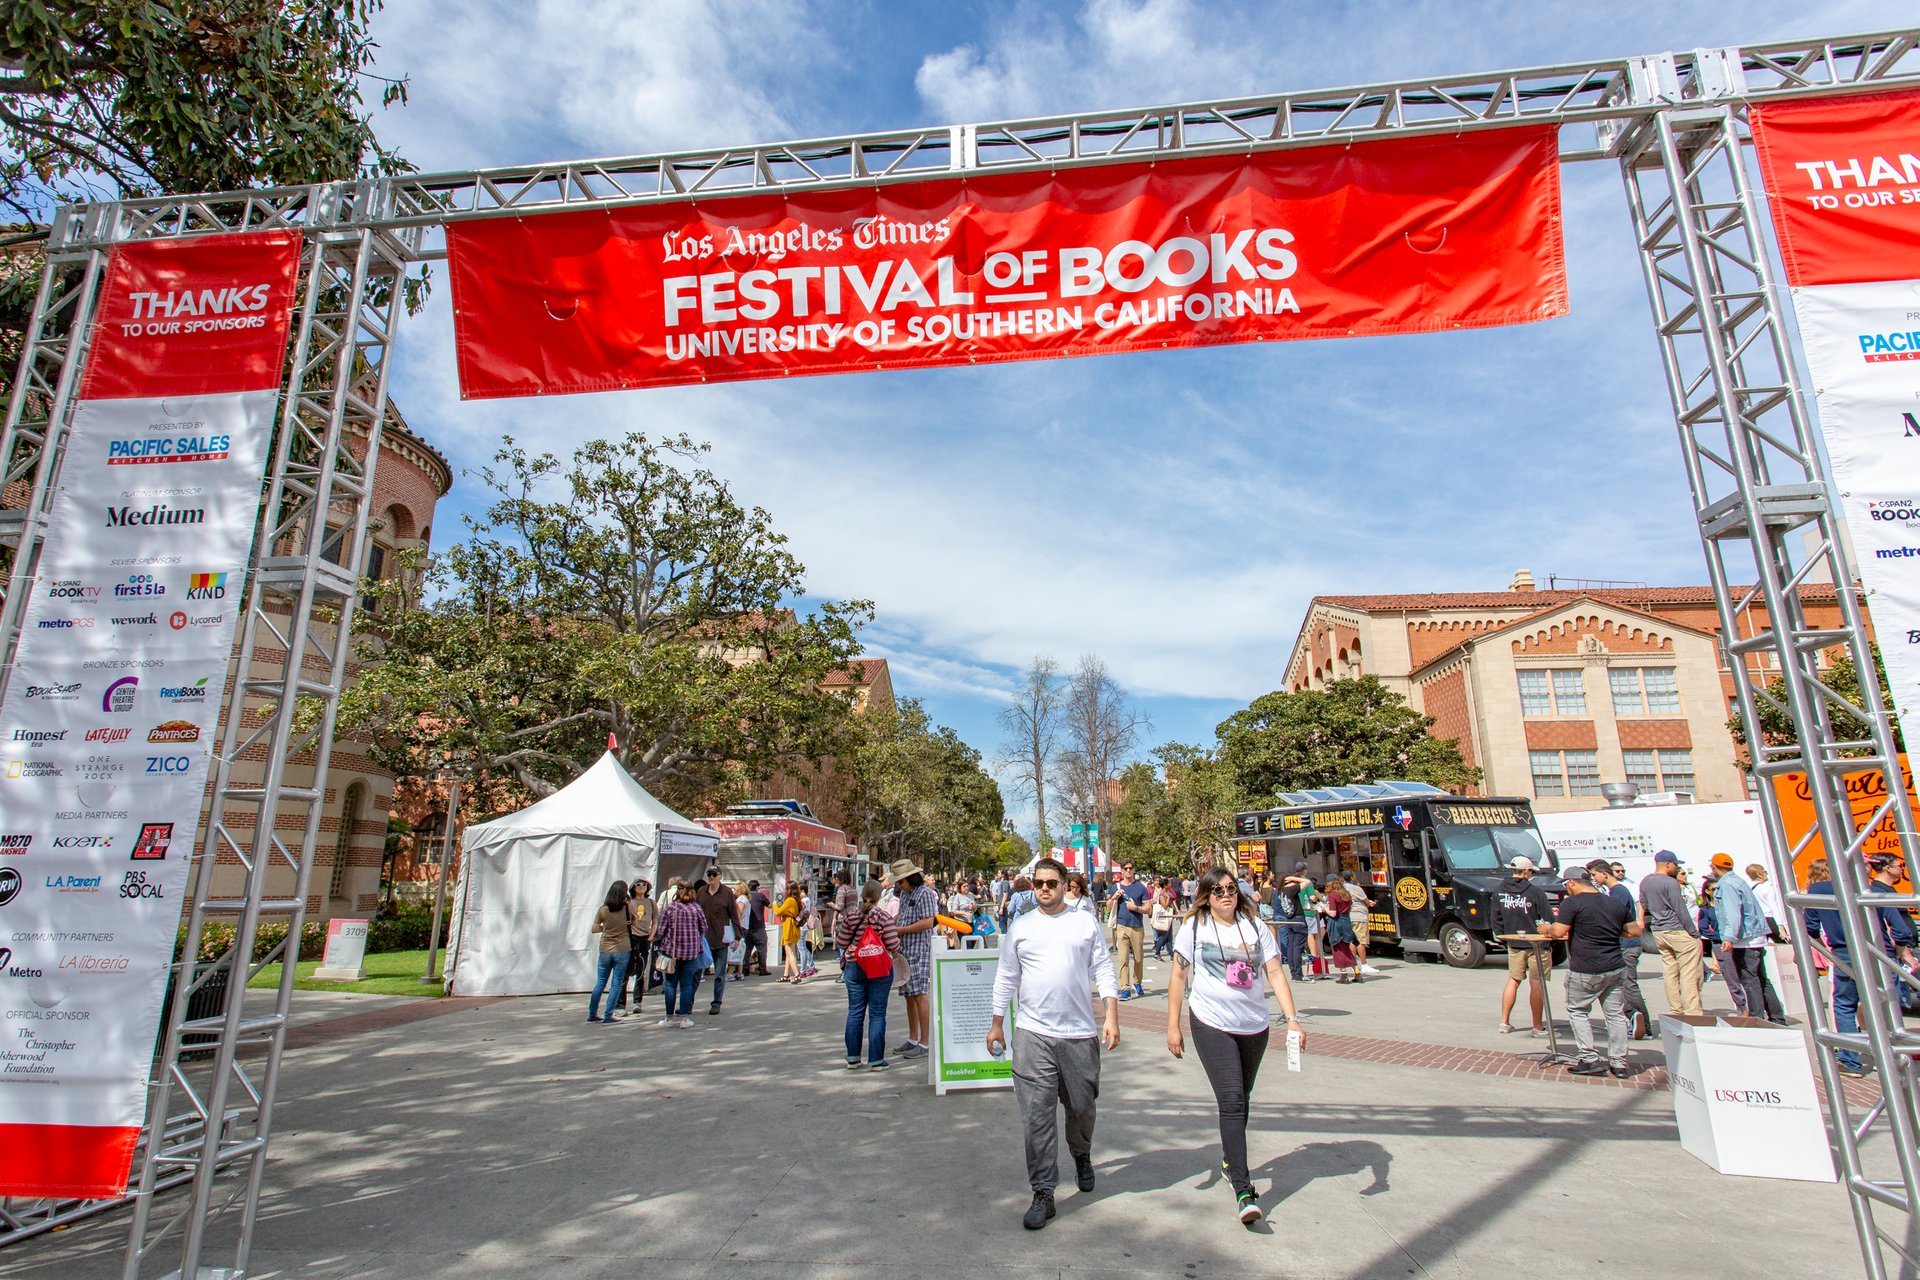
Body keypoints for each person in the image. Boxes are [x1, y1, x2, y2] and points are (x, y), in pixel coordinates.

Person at [986, 856, 1120, 1231]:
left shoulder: (1084, 922)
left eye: (1052, 882)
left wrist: (1111, 1015)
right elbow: (1005, 977)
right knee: (1036, 1115)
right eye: (1039, 883)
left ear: (1065, 885)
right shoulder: (1022, 927)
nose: (1044, 888)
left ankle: (1081, 1153)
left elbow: (1104, 969)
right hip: (1033, 1034)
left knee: (1081, 1106)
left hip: (1079, 1034)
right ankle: (1043, 1191)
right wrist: (997, 1024)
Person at [1166, 865, 1305, 1225]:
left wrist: (1292, 1019)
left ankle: (1230, 1160)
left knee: (1241, 1099)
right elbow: (1179, 975)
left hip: (1254, 1025)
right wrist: (1173, 1026)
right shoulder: (1194, 927)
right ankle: (1244, 1188)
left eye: (1230, 889)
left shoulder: (1254, 926)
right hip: (1211, 1021)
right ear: (1206, 896)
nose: (1226, 895)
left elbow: (1274, 971)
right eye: (1218, 891)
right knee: (1230, 1101)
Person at [1807, 856, 1918, 1076]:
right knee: (1885, 1007)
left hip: (1845, 953)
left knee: (1845, 1006)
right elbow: (1901, 931)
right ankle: (1890, 1058)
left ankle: (1851, 1062)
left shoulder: (1818, 889)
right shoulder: (1868, 889)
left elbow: (1809, 928)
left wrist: (1827, 952)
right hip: (1879, 954)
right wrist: (1895, 954)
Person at [1540, 865, 1640, 1077]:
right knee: (1615, 1015)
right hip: (1615, 965)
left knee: (1577, 1010)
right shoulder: (1612, 901)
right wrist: (1609, 930)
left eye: (1567, 884)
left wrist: (1546, 928)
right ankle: (1619, 1063)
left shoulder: (1572, 903)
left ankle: (1589, 1058)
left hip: (1586, 967)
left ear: (1573, 882)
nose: (1566, 888)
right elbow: (1634, 931)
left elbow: (1558, 932)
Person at [836, 879, 904, 1069]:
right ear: (879, 896)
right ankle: (876, 1060)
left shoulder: (851, 917)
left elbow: (841, 943)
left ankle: (853, 1058)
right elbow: (894, 944)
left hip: (854, 966)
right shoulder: (883, 917)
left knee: (855, 1011)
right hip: (878, 968)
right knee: (877, 1014)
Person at [1711, 853, 1781, 1021]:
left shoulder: (1727, 885)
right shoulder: (1737, 881)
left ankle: (1757, 1019)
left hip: (1745, 940)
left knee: (1750, 981)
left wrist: (1729, 937)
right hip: (1753, 937)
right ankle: (1777, 1018)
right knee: (1761, 979)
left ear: (1714, 867)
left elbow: (1733, 913)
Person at [1587, 861, 1650, 1040]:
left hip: (1627, 945)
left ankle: (1644, 1026)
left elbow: (1615, 918)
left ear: (1604, 874)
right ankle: (1634, 1020)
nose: (1594, 879)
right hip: (1624, 945)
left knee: (1629, 985)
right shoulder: (1615, 892)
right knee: (1622, 985)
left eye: (1594, 875)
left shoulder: (1618, 892)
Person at [1493, 856, 1551, 1036]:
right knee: (1537, 983)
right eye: (1531, 871)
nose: (1532, 874)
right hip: (1537, 943)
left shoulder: (1499, 891)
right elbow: (1548, 918)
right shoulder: (1535, 892)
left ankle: (1504, 1022)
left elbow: (1496, 917)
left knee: (1513, 980)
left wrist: (1502, 935)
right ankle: (1537, 1026)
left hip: (1514, 942)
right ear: (1525, 871)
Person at [1640, 851, 1703, 1016]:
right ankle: (1692, 1012)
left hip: (1659, 930)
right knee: (1689, 973)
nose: (1677, 867)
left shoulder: (1646, 881)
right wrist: (1693, 932)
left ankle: (1675, 1009)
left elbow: (1644, 903)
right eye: (1675, 864)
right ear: (1667, 864)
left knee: (1670, 972)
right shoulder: (1670, 882)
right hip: (1678, 929)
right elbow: (1680, 908)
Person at [890, 858, 941, 1059]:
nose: (899, 885)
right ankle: (913, 1038)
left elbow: (929, 922)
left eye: (901, 881)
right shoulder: (904, 894)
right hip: (904, 950)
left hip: (919, 948)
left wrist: (901, 929)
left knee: (920, 994)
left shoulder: (924, 894)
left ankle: (925, 1042)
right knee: (909, 995)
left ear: (910, 878)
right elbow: (902, 916)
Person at [654, 880, 708, 1028]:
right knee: (687, 985)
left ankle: (669, 1018)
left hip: (672, 952)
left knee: (671, 985)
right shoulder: (696, 908)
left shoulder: (672, 908)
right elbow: (704, 927)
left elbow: (661, 930)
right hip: (691, 952)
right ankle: (684, 1018)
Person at [693, 868, 737, 1017]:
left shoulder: (727, 893)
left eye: (714, 875)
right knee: (696, 973)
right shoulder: (701, 892)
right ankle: (688, 1002)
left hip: (720, 938)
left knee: (719, 973)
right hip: (702, 939)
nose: (711, 877)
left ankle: (716, 1002)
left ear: (720, 877)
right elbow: (695, 912)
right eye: (709, 875)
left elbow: (734, 915)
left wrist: (737, 936)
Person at [587, 880, 633, 1023]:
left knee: (600, 982)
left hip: (606, 948)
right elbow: (635, 922)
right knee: (616, 983)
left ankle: (592, 1013)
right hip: (623, 948)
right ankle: (608, 1015)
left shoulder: (603, 909)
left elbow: (594, 928)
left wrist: (606, 928)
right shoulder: (627, 908)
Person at [1113, 862, 1151, 999]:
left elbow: (1148, 909)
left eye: (1130, 868)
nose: (1128, 871)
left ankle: (1137, 982)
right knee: (1123, 959)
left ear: (1134, 870)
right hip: (1121, 926)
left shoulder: (1140, 888)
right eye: (1125, 868)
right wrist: (1114, 897)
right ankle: (1125, 988)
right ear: (1122, 870)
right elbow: (1108, 906)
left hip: (1136, 926)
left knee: (1138, 959)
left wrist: (1136, 908)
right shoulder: (1116, 887)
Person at [621, 878, 657, 1010]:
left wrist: (651, 935)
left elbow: (655, 920)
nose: (641, 887)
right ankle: (620, 1004)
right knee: (626, 970)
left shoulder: (651, 903)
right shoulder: (629, 903)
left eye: (644, 885)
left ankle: (637, 1001)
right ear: (633, 888)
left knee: (640, 970)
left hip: (645, 938)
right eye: (638, 885)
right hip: (631, 938)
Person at [1273, 868, 1310, 981]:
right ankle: (1298, 974)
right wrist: (1292, 878)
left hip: (1289, 919)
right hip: (1298, 919)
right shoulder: (1291, 889)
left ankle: (1294, 973)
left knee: (1291, 947)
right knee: (1297, 947)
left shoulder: (1280, 891)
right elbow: (1307, 882)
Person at [742, 879, 772, 976]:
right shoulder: (760, 896)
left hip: (747, 927)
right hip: (759, 927)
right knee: (762, 948)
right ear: (757, 887)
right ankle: (762, 969)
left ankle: (745, 968)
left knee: (747, 949)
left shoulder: (745, 897)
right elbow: (770, 906)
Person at [775, 884, 804, 982]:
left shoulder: (789, 900)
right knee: (788, 952)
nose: (785, 890)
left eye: (786, 888)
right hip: (793, 927)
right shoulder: (796, 900)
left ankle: (797, 974)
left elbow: (778, 911)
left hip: (789, 927)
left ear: (790, 890)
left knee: (790, 952)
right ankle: (786, 975)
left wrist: (775, 904)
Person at [1347, 880, 1375, 977]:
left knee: (1351, 941)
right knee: (1360, 941)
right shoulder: (1356, 888)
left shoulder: (1342, 887)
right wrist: (1369, 903)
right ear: (1351, 877)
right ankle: (1364, 964)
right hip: (1359, 916)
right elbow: (1366, 902)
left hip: (1348, 916)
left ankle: (1353, 964)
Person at [1150, 880, 1176, 960]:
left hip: (1169, 916)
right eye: (1168, 884)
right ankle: (1157, 953)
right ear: (1165, 885)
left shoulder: (1168, 892)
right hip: (1164, 916)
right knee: (1163, 936)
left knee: (1169, 936)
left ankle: (1171, 954)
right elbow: (1164, 906)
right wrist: (1168, 898)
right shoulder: (1162, 894)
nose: (1170, 884)